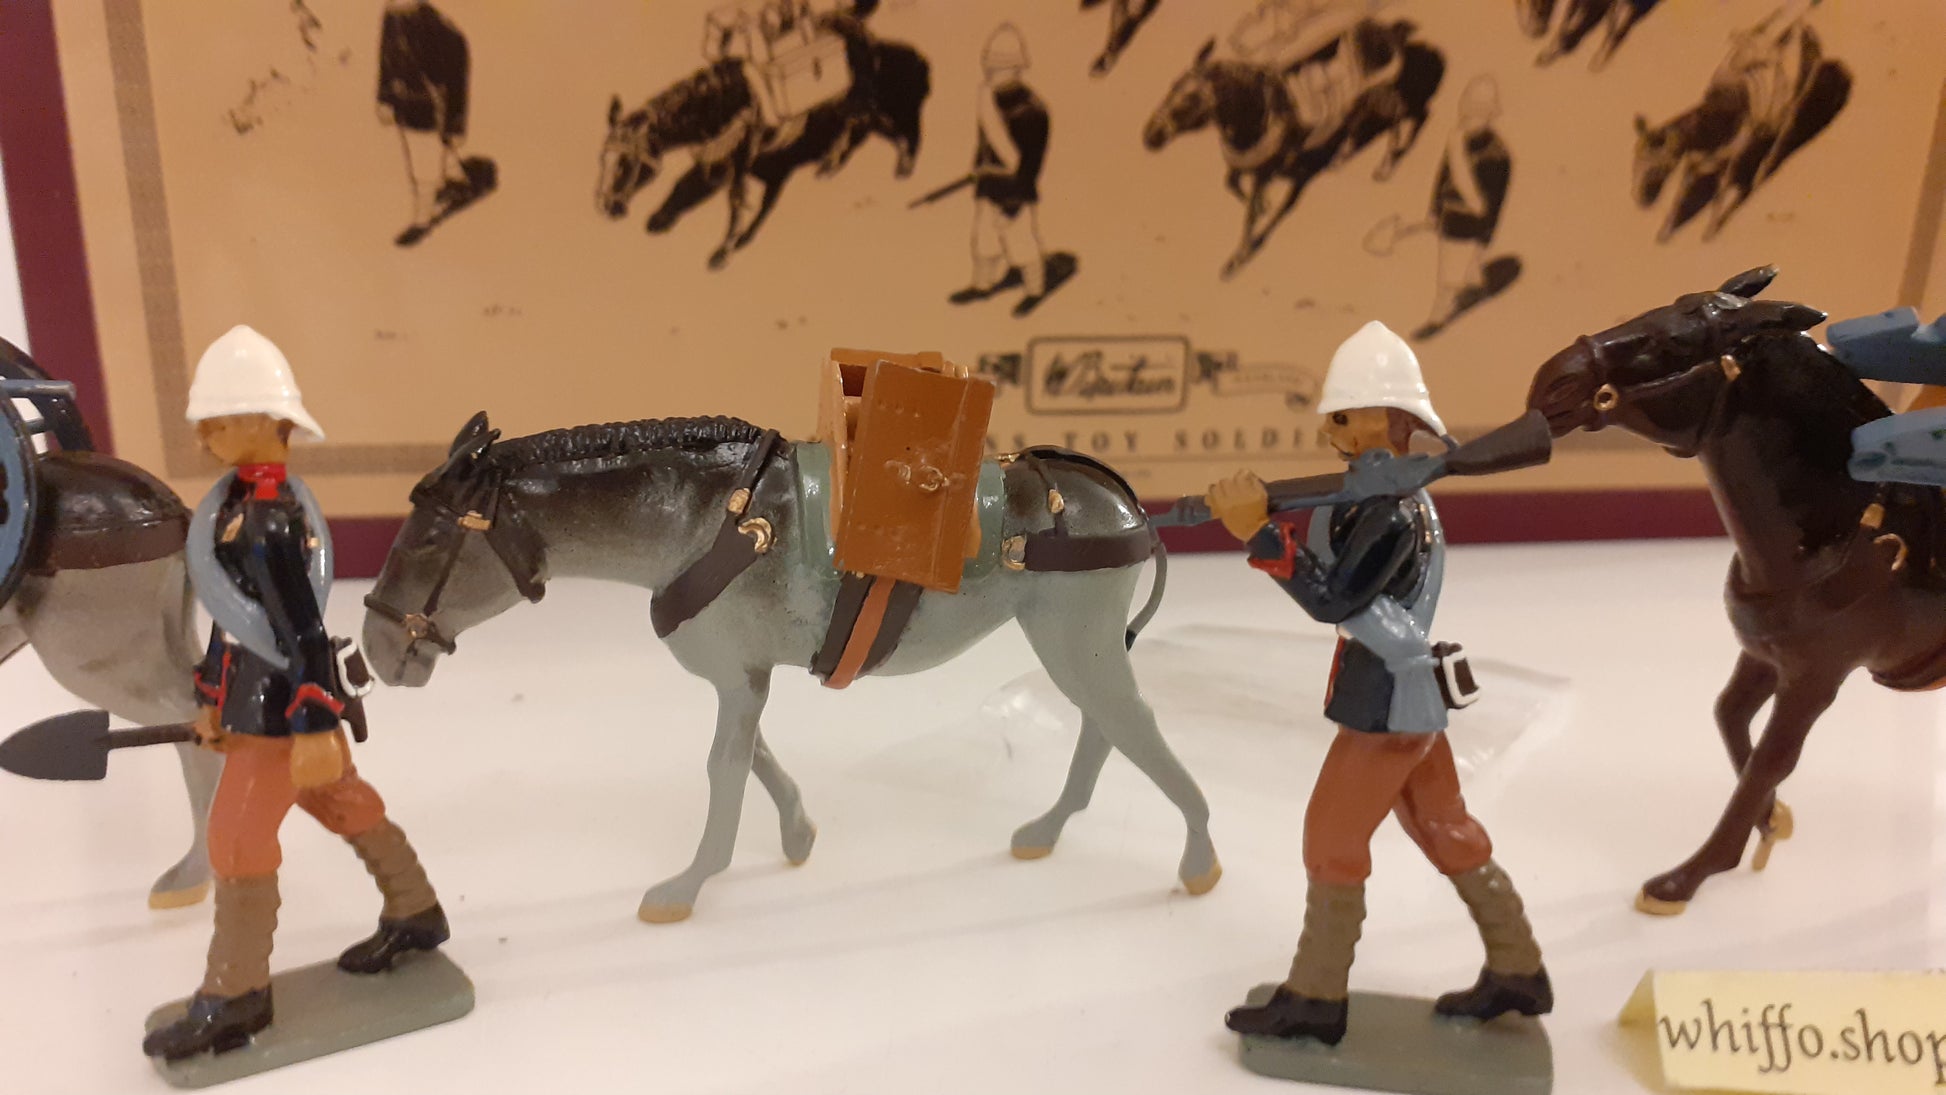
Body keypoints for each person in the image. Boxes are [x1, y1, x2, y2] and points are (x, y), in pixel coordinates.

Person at [1210, 322, 1551, 1045]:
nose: (1331, 428)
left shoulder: (1393, 507)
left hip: (1390, 699)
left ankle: (1316, 997)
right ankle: (1519, 968)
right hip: (1406, 695)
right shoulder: (1382, 496)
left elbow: (1337, 600)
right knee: (1444, 828)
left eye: (1347, 415)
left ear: (1390, 420)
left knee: (1331, 838)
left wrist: (1260, 536)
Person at [141, 327, 450, 1061]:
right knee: (340, 801)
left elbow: (304, 630)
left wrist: (311, 726)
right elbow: (233, 619)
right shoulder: (235, 505)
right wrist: (214, 698)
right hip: (260, 701)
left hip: (283, 713)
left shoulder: (269, 518)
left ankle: (237, 992)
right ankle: (416, 909)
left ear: (267, 421)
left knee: (236, 840)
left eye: (221, 419)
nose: (204, 434)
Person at [948, 24, 1053, 318]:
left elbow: (1030, 162)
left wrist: (1016, 199)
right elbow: (986, 144)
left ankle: (1034, 290)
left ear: (1016, 70)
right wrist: (977, 169)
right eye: (990, 68)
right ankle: (982, 285)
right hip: (990, 183)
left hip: (1015, 187)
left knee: (1021, 241)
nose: (991, 74)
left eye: (998, 69)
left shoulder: (1032, 111)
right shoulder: (990, 98)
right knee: (984, 238)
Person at [376, 0, 479, 247]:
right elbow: (386, 60)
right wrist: (384, 97)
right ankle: (456, 177)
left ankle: (422, 220)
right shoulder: (392, 16)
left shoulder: (443, 31)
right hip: (404, 99)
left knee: (423, 157)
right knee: (430, 146)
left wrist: (455, 125)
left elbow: (457, 83)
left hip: (429, 104)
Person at [1416, 76, 1512, 339]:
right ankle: (1474, 279)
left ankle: (1437, 319)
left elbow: (1494, 203)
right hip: (1451, 216)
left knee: (1448, 277)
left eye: (1476, 114)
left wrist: (1486, 235)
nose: (1469, 120)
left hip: (1470, 222)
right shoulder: (1458, 139)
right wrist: (1434, 209)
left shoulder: (1497, 155)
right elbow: (1443, 175)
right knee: (1457, 265)